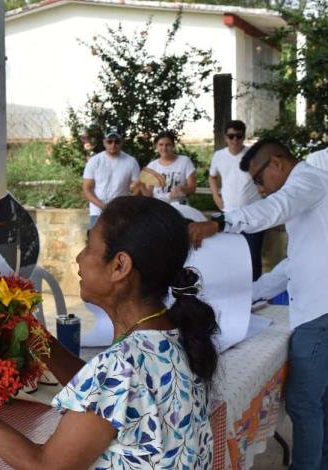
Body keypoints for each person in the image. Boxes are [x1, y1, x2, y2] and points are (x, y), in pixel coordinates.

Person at [0, 196, 220, 469]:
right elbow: (102, 394)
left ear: (119, 266)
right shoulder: (174, 335)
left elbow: (44, 465)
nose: (79, 257)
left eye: (89, 245)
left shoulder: (121, 365)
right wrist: (34, 334)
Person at [189, 138, 328, 470]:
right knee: (320, 401)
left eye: (259, 180)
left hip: (320, 313)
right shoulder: (310, 195)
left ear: (277, 164)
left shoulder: (307, 181)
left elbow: (271, 211)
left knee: (304, 403)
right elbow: (294, 264)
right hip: (318, 307)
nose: (260, 190)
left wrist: (220, 222)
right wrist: (244, 295)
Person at [209, 120, 264, 280]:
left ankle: (256, 294)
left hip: (253, 214)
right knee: (230, 256)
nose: (235, 140)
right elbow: (212, 177)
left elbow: (263, 177)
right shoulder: (219, 156)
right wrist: (215, 195)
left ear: (243, 137)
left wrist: (263, 192)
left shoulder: (253, 155)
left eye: (238, 136)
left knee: (253, 256)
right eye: (231, 136)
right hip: (229, 214)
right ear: (225, 137)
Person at [82, 126, 141, 227]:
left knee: (122, 242)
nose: (113, 145)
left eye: (117, 141)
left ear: (122, 142)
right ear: (104, 142)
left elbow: (138, 186)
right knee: (96, 242)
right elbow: (87, 188)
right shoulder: (94, 161)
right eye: (109, 141)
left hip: (121, 212)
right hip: (97, 212)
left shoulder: (131, 162)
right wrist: (103, 206)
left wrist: (126, 204)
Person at [139, 131, 197, 204]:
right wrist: (141, 186)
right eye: (161, 145)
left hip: (179, 205)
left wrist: (182, 189)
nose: (164, 148)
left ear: (173, 146)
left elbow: (192, 188)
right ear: (156, 146)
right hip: (157, 205)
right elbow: (148, 194)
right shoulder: (151, 165)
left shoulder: (185, 161)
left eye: (168, 145)